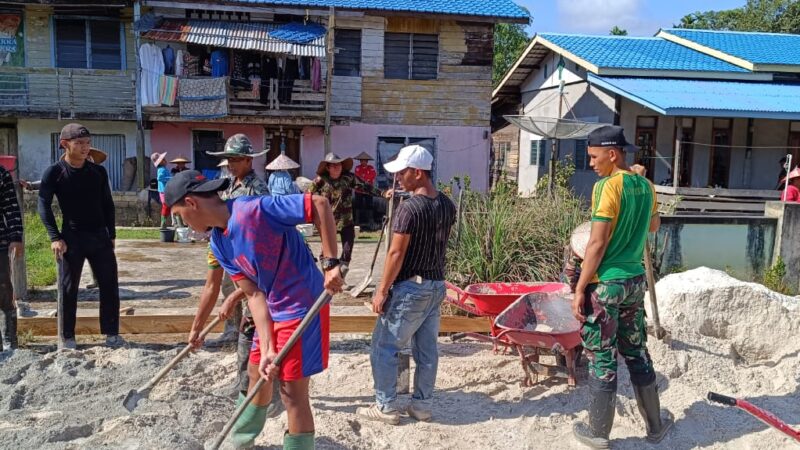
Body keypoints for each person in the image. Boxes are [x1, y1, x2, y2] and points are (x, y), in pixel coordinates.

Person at [165, 170, 344, 449]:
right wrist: (269, 346)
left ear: (191, 203)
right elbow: (254, 293)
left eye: (179, 216)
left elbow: (318, 204)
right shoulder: (219, 243)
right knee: (256, 372)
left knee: (291, 392)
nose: (183, 225)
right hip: (272, 304)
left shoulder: (254, 210)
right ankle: (242, 440)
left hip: (302, 303)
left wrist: (331, 262)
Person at [571, 125, 671, 448]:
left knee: (602, 357)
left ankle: (598, 433)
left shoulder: (606, 188)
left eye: (594, 157)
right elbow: (654, 226)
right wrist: (641, 183)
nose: (591, 164)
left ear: (612, 155)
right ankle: (656, 426)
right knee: (637, 352)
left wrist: (580, 286)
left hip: (608, 284)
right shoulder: (646, 185)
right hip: (634, 282)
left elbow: (597, 244)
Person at [357, 145, 456, 425]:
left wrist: (382, 290)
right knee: (426, 351)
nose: (398, 178)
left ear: (418, 172)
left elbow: (396, 253)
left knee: (384, 346)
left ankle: (386, 406)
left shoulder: (409, 208)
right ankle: (422, 405)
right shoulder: (447, 204)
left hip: (411, 287)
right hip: (436, 284)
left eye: (402, 172)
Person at [38, 123, 123, 349]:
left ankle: (112, 334)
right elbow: (43, 205)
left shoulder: (97, 172)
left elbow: (108, 204)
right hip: (72, 237)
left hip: (99, 236)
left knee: (109, 284)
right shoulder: (55, 172)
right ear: (65, 144)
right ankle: (67, 337)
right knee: (68, 288)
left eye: (88, 143)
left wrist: (111, 233)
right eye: (80, 143)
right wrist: (55, 237)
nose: (85, 148)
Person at [310, 153, 383, 278]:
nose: (336, 168)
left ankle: (340, 276)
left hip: (346, 220)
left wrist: (382, 193)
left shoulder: (349, 178)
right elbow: (307, 196)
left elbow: (366, 187)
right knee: (327, 253)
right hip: (328, 221)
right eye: (333, 166)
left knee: (347, 251)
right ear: (327, 168)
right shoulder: (320, 180)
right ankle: (327, 276)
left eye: (338, 165)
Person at [0, 163, 22, 352]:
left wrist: (16, 237)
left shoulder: (1, 174)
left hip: (0, 242)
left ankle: (9, 340)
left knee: (4, 290)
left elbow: (11, 206)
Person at [353, 152, 377, 229]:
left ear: (367, 161)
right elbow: (357, 177)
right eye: (362, 160)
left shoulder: (371, 168)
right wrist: (363, 181)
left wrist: (365, 181)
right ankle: (357, 222)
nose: (363, 162)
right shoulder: (357, 168)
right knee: (357, 205)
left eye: (364, 160)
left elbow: (372, 176)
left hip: (368, 190)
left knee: (369, 205)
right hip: (359, 190)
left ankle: (370, 222)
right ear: (360, 161)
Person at [152, 152, 171, 229]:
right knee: (166, 206)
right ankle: (163, 223)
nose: (165, 160)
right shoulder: (162, 169)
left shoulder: (163, 169)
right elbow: (159, 178)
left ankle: (164, 223)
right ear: (161, 162)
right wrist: (171, 179)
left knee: (167, 207)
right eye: (164, 159)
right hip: (164, 191)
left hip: (165, 190)